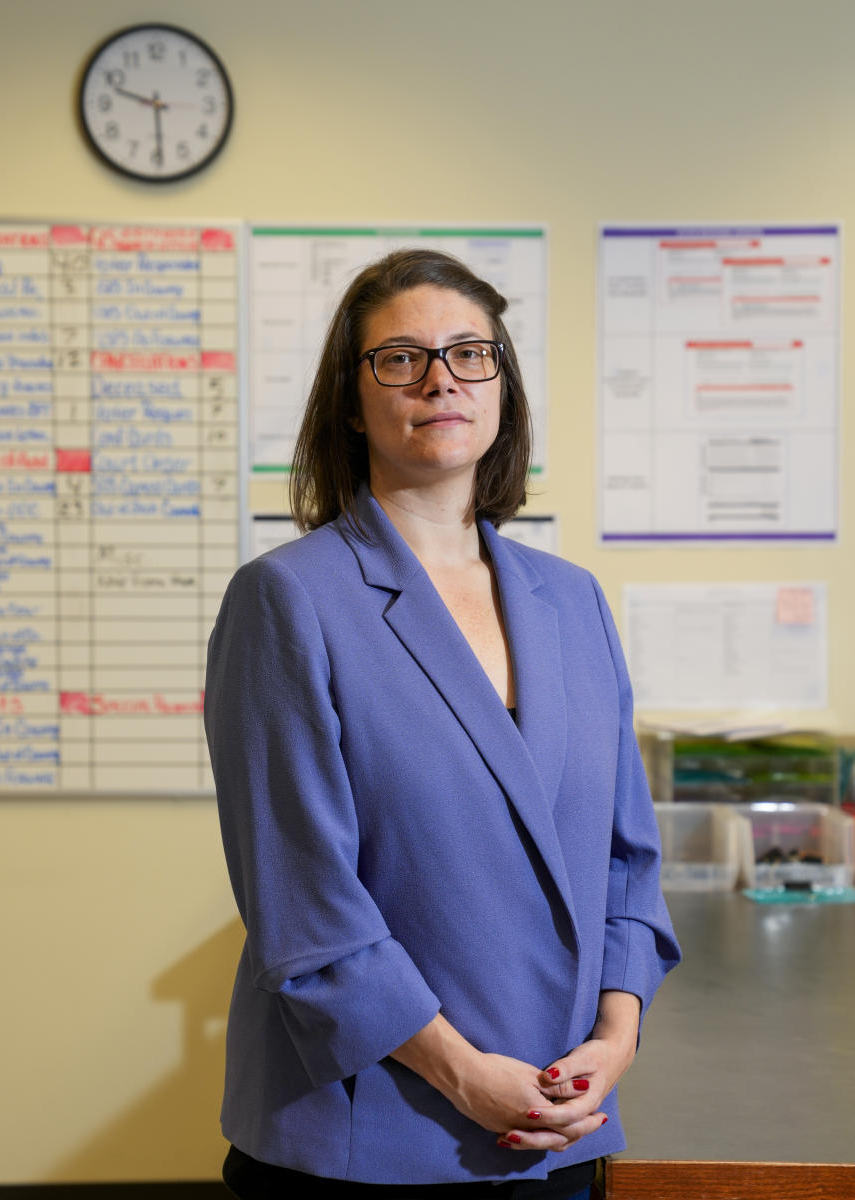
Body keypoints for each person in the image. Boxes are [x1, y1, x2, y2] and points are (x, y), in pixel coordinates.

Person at [204, 249, 681, 1198]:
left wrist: (615, 1037)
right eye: (400, 358)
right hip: (370, 1138)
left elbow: (626, 859)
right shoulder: (286, 600)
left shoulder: (572, 600)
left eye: (471, 353)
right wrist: (465, 1074)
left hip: (559, 1123)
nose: (440, 380)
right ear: (351, 399)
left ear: (502, 383)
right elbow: (304, 906)